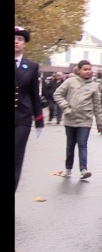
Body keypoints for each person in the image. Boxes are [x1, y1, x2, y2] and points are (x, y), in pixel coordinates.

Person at [53, 60, 102, 179]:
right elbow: (57, 94)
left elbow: (97, 105)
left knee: (82, 144)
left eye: (89, 69)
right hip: (70, 118)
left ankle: (83, 169)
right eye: (85, 69)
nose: (88, 71)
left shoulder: (94, 86)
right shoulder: (70, 82)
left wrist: (100, 122)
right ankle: (68, 168)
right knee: (70, 145)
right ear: (79, 70)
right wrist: (65, 106)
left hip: (85, 120)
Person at [15, 26, 45, 192]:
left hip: (22, 118)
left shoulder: (31, 66)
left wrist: (39, 120)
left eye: (20, 39)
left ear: (24, 44)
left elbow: (34, 94)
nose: (16, 42)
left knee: (16, 157)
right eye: (14, 39)